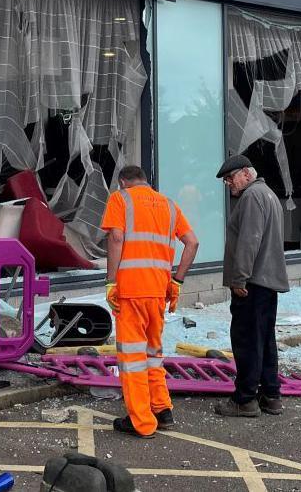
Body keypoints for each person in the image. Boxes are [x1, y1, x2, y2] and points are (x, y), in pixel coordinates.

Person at [101, 165, 199, 438]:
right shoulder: (168, 205)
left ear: (123, 182)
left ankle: (142, 422)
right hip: (158, 292)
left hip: (130, 292)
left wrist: (111, 281)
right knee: (153, 354)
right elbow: (192, 242)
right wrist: (176, 281)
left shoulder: (121, 199)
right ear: (145, 181)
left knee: (132, 358)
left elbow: (116, 237)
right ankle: (162, 409)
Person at [214, 155, 290, 418]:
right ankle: (271, 395)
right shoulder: (267, 194)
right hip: (267, 282)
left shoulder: (251, 197)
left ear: (246, 174)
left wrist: (239, 279)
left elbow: (249, 241)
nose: (228, 183)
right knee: (265, 339)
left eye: (230, 177)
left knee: (247, 341)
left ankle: (244, 399)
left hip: (252, 283)